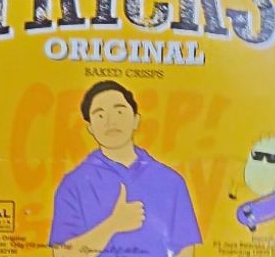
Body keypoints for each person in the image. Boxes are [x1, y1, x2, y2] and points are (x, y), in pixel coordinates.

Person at [49, 81, 201, 257]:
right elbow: (62, 254)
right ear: (90, 128)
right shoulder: (73, 184)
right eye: (100, 115)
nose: (110, 122)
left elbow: (186, 250)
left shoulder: (171, 181)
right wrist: (113, 224)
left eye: (119, 112)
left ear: (136, 120)